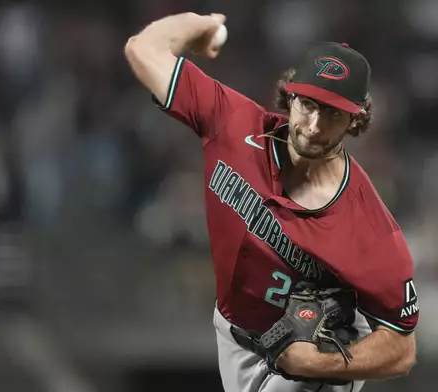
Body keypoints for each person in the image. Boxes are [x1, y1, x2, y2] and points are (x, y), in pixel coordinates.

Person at [124, 12, 419, 392]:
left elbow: (401, 348)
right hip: (234, 332)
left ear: (355, 120)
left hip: (318, 353)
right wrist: (199, 25)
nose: (314, 125)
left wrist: (318, 362)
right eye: (309, 104)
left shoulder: (370, 228)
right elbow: (143, 49)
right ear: (290, 95)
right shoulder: (233, 124)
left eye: (332, 113)